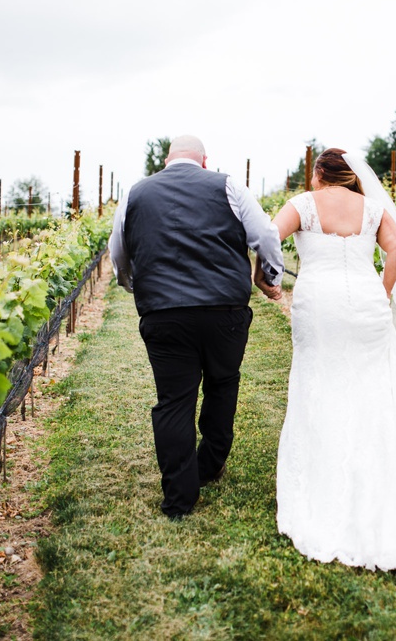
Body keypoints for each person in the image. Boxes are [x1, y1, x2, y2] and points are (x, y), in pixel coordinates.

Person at [257, 148, 396, 573]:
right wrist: (383, 292)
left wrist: (263, 279)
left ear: (319, 174)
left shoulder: (301, 205)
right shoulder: (372, 208)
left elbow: (267, 239)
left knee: (320, 381)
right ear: (351, 176)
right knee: (375, 387)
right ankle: (385, 483)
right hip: (367, 305)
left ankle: (325, 484)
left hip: (319, 306)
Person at [109, 135, 284, 520]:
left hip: (164, 313)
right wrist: (268, 275)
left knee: (173, 401)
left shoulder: (137, 192)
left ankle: (179, 500)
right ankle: (209, 464)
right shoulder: (227, 185)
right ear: (204, 161)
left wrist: (134, 285)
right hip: (224, 309)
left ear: (168, 159)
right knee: (223, 383)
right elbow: (267, 235)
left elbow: (118, 251)